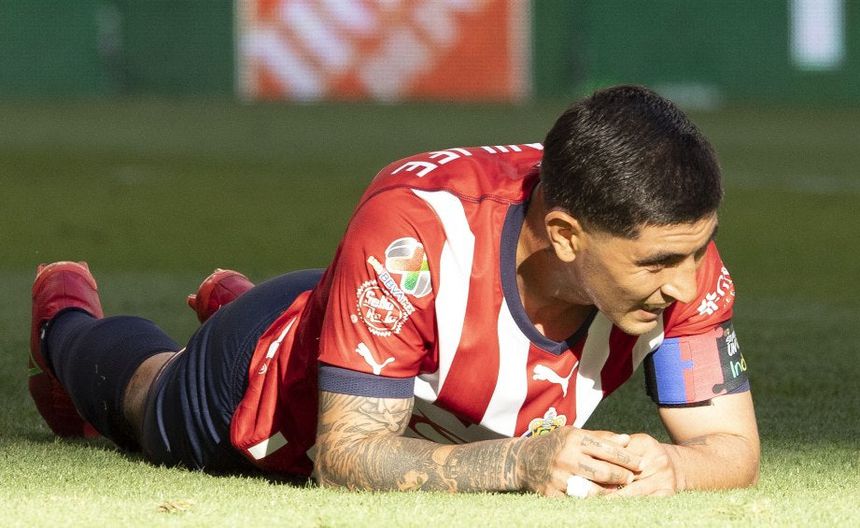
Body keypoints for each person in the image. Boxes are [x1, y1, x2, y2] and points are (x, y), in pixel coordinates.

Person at [28, 85, 759, 498]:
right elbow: (346, 456)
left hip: (368, 315)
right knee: (143, 396)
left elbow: (731, 445)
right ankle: (64, 318)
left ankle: (247, 298)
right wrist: (521, 463)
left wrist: (673, 467)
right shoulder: (418, 234)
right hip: (263, 395)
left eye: (698, 251)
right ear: (566, 235)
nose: (688, 284)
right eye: (662, 264)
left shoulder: (669, 240)